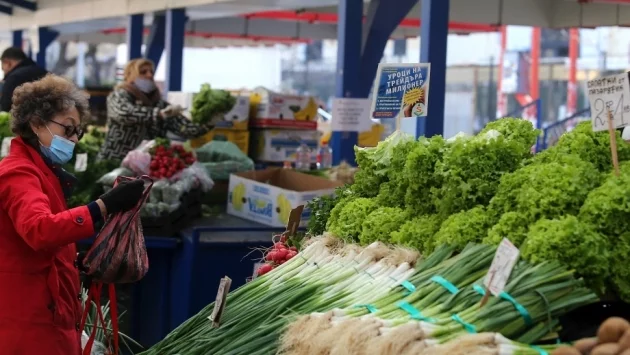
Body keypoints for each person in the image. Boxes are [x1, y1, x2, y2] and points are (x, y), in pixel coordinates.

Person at [0, 74, 145, 355]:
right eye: (68, 129)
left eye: (78, 131)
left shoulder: (43, 171)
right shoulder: (18, 173)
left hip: (46, 310)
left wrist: (76, 262)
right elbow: (40, 230)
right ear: (37, 123)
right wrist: (103, 206)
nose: (74, 139)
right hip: (29, 319)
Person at [98, 58, 214, 160]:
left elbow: (185, 128)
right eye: (143, 72)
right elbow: (124, 113)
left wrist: (209, 122)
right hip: (116, 160)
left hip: (145, 164)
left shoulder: (159, 103)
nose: (149, 75)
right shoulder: (119, 95)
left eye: (151, 72)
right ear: (129, 76)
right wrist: (158, 114)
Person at [0, 47, 48, 112]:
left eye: (3, 67)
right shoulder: (43, 72)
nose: (3, 69)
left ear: (8, 63)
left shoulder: (13, 78)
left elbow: (6, 107)